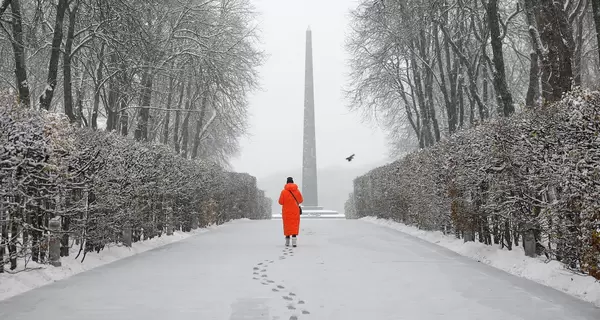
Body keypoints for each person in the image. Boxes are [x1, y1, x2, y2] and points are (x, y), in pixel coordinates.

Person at [278, 177, 303, 247]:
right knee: (294, 225)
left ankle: (287, 241)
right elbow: (301, 200)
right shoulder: (297, 191)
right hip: (295, 211)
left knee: (287, 225)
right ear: (293, 182)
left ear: (286, 182)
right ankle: (294, 241)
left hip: (286, 211)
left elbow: (280, 202)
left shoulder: (283, 192)